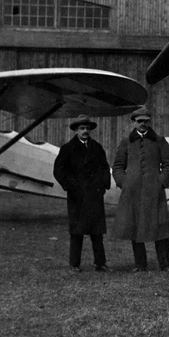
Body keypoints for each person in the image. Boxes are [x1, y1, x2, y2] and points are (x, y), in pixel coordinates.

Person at [111, 106, 169, 272]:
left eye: (146, 121)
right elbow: (117, 166)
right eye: (140, 121)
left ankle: (165, 264)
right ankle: (140, 264)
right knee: (135, 227)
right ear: (133, 122)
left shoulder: (160, 141)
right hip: (133, 193)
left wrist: (161, 182)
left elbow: (168, 165)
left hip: (154, 192)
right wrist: (124, 183)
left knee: (160, 228)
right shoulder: (126, 142)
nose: (143, 124)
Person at [53, 115, 112, 273]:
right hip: (77, 196)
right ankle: (74, 264)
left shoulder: (97, 148)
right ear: (76, 130)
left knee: (97, 232)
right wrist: (72, 186)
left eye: (87, 128)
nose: (85, 131)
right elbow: (59, 170)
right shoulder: (67, 149)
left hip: (94, 194)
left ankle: (100, 263)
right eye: (82, 128)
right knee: (77, 232)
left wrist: (103, 185)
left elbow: (105, 168)